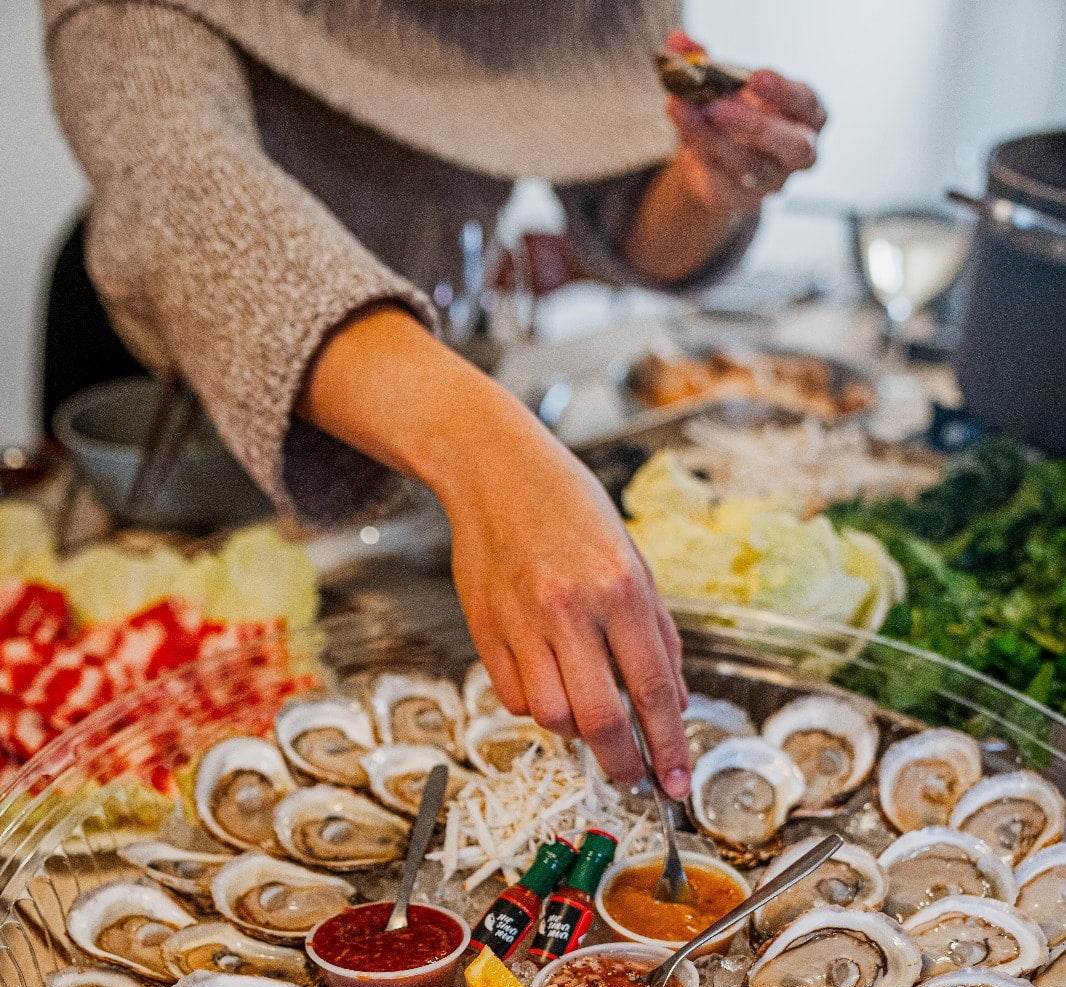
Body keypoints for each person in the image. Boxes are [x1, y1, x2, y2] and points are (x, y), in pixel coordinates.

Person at [43, 2, 825, 795]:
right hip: (176, 357)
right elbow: (179, 187)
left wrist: (703, 186)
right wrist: (493, 454)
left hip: (428, 358)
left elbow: (628, 224)